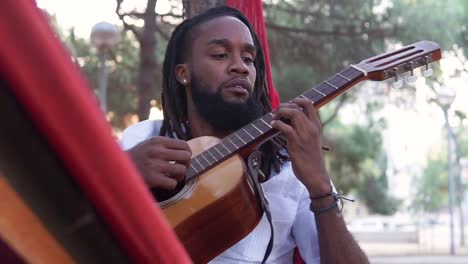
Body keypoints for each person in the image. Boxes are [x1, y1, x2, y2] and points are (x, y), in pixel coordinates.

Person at [120, 6, 369, 264]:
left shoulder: (289, 165)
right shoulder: (145, 139)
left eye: (249, 59)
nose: (240, 67)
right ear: (184, 73)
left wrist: (320, 187)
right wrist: (120, 174)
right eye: (220, 55)